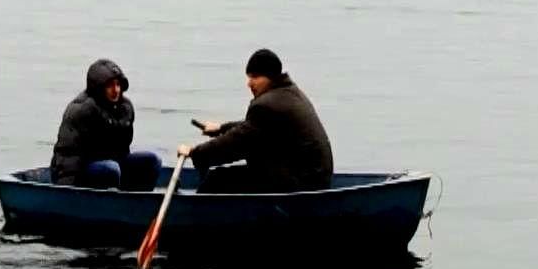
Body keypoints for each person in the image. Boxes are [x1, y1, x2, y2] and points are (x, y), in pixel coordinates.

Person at [178, 48, 333, 194]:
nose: (249, 83)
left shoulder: (267, 105)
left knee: (216, 180)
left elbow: (236, 144)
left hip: (300, 184)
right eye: (249, 77)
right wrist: (220, 128)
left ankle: (197, 216)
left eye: (255, 77)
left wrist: (195, 153)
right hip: (314, 178)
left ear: (270, 76)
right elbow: (255, 129)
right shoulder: (289, 92)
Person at [49, 58, 161, 190]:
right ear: (99, 87)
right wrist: (66, 190)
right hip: (80, 171)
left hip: (113, 166)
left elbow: (124, 150)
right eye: (110, 86)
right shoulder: (82, 109)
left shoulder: (125, 109)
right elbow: (67, 154)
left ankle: (138, 201)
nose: (116, 90)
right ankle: (103, 204)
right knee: (111, 169)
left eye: (118, 85)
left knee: (152, 161)